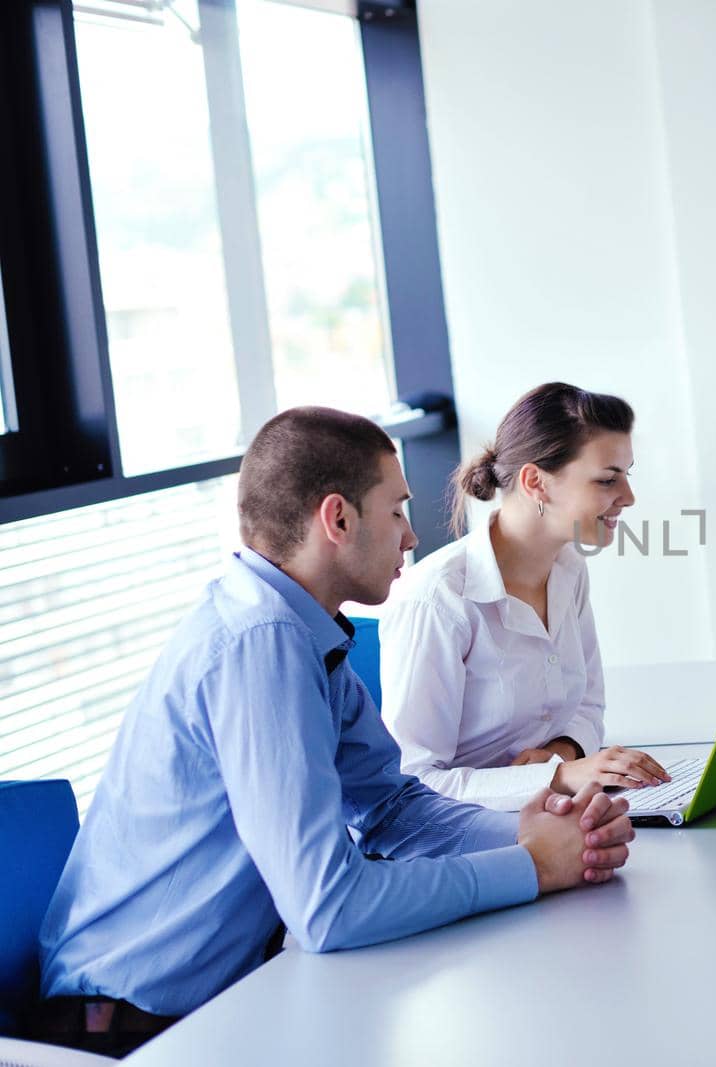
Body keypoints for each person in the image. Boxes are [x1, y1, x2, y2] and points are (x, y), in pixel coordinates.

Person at [32, 407, 633, 1058]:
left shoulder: (307, 634)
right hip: (127, 1033)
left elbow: (391, 809)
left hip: (219, 1005)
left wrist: (538, 829)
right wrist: (529, 867)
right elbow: (329, 907)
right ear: (338, 519)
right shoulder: (261, 645)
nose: (411, 537)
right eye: (397, 510)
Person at [380, 383, 669, 811]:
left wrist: (567, 750)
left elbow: (588, 703)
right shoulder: (438, 599)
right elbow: (414, 783)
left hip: (551, 814)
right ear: (536, 482)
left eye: (627, 476)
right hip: (464, 836)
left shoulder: (569, 568)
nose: (628, 498)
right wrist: (558, 775)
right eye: (608, 479)